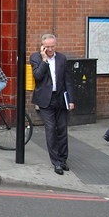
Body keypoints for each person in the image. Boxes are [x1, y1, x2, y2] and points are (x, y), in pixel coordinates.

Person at [29, 32, 75, 175]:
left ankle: (63, 159)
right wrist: (44, 60)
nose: (50, 49)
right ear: (42, 46)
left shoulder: (62, 58)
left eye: (52, 46)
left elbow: (68, 80)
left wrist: (71, 100)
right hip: (45, 99)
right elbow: (37, 75)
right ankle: (56, 162)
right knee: (51, 129)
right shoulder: (35, 58)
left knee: (62, 129)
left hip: (60, 98)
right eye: (47, 47)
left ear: (56, 45)